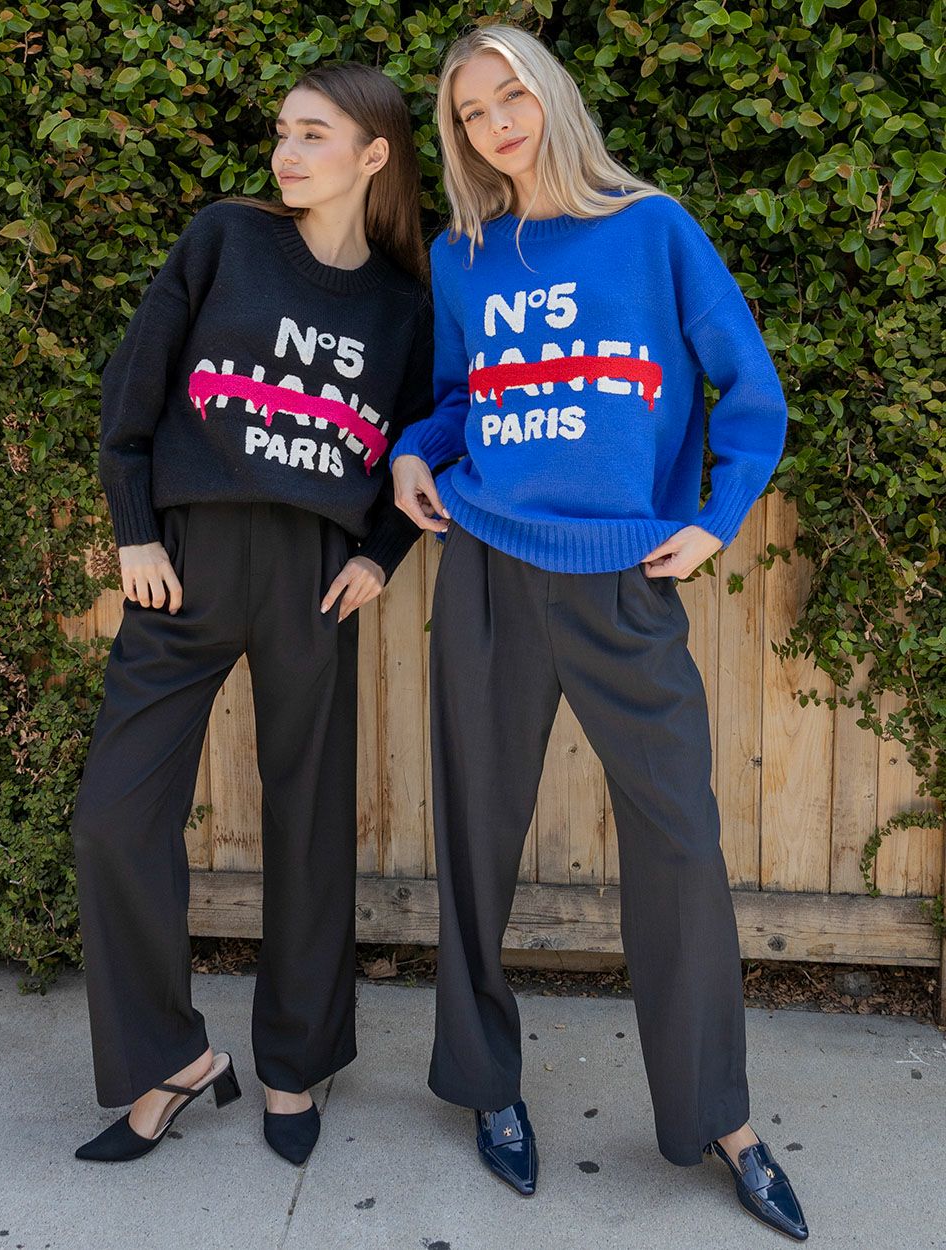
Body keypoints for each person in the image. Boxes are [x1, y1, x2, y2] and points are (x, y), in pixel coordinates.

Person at [391, 23, 808, 1241]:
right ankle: (484, 1083)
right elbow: (460, 400)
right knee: (475, 837)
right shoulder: (464, 256)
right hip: (487, 569)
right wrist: (414, 453)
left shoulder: (653, 228)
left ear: (550, 95)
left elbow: (751, 389)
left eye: (508, 96)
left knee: (680, 843)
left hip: (623, 580)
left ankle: (721, 1118)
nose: (493, 125)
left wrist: (715, 518)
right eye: (469, 113)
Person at [71, 61, 433, 1167]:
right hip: (184, 563)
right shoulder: (225, 238)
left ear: (373, 154)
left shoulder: (404, 303)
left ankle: (294, 1063)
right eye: (283, 131)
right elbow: (134, 388)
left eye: (314, 133)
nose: (288, 151)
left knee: (310, 824)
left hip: (314, 574)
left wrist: (381, 553)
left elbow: (423, 439)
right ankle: (171, 1059)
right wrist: (135, 529)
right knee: (113, 817)